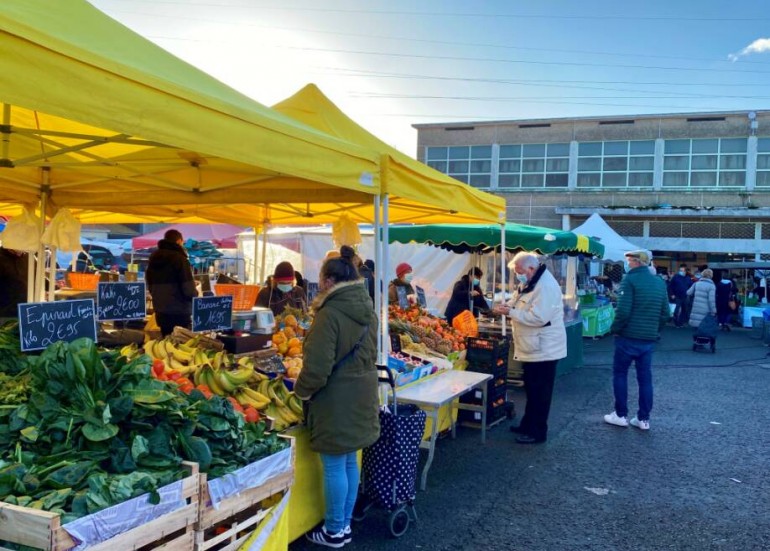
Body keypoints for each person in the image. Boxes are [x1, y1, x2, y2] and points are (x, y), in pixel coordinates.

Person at [295, 246, 379, 548]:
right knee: (348, 462)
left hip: (336, 398)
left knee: (334, 464)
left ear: (329, 281)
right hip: (362, 393)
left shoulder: (329, 314)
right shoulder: (367, 308)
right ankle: (342, 526)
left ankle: (333, 530)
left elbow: (317, 369)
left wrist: (300, 392)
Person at [492, 252, 566, 444]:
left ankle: (537, 432)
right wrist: (506, 307)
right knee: (531, 388)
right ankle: (527, 424)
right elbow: (518, 302)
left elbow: (539, 318)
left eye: (520, 271)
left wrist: (511, 312)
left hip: (544, 348)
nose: (518, 275)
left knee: (540, 392)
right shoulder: (531, 282)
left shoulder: (546, 286)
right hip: (534, 347)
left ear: (531, 268)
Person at [604, 250, 670, 432]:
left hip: (627, 337)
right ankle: (643, 419)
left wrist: (615, 330)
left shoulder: (630, 280)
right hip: (648, 339)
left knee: (620, 374)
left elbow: (623, 311)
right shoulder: (659, 282)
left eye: (629, 260)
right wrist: (655, 330)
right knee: (645, 379)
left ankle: (620, 415)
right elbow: (666, 313)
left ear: (635, 262)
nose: (627, 263)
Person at [145, 229, 198, 336]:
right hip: (180, 311)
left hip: (161, 310)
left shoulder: (153, 258)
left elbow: (149, 282)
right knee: (181, 342)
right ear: (179, 241)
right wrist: (195, 294)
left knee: (166, 342)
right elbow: (188, 289)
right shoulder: (180, 259)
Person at [0, 247, 29, 319]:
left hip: (27, 311)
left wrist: (55, 286)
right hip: (4, 315)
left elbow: (38, 276)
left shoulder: (29, 258)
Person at [668, 263, 693, 327]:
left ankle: (680, 323)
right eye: (680, 270)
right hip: (677, 296)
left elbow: (691, 287)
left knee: (685, 310)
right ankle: (676, 322)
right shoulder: (675, 277)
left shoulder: (688, 278)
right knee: (676, 310)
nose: (681, 272)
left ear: (685, 271)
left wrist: (690, 294)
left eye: (682, 270)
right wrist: (672, 294)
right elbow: (670, 287)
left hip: (685, 297)